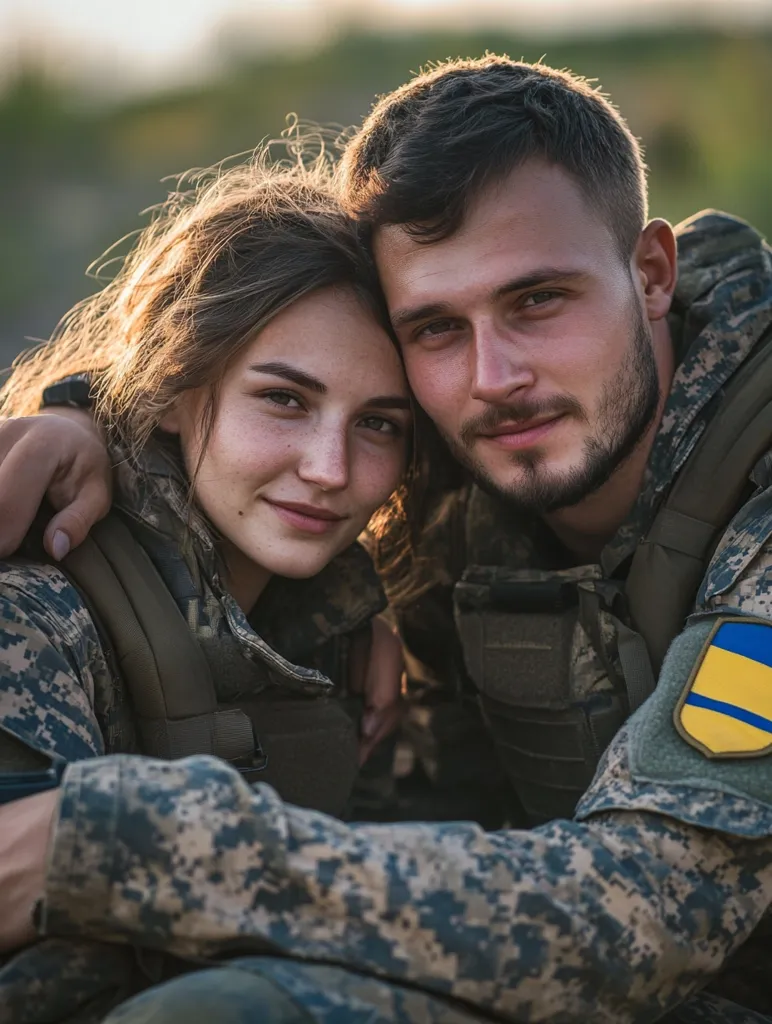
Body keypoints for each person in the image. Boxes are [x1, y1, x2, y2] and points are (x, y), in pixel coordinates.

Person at [2, 55, 772, 1023]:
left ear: (650, 274)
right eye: (435, 327)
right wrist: (87, 426)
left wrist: (125, 841)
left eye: (538, 299)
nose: (494, 375)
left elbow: (641, 914)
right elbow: (261, 323)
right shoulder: (466, 442)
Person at [0, 153, 415, 1020]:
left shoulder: (336, 629)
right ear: (173, 389)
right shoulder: (36, 617)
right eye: (285, 401)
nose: (330, 470)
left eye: (379, 423)